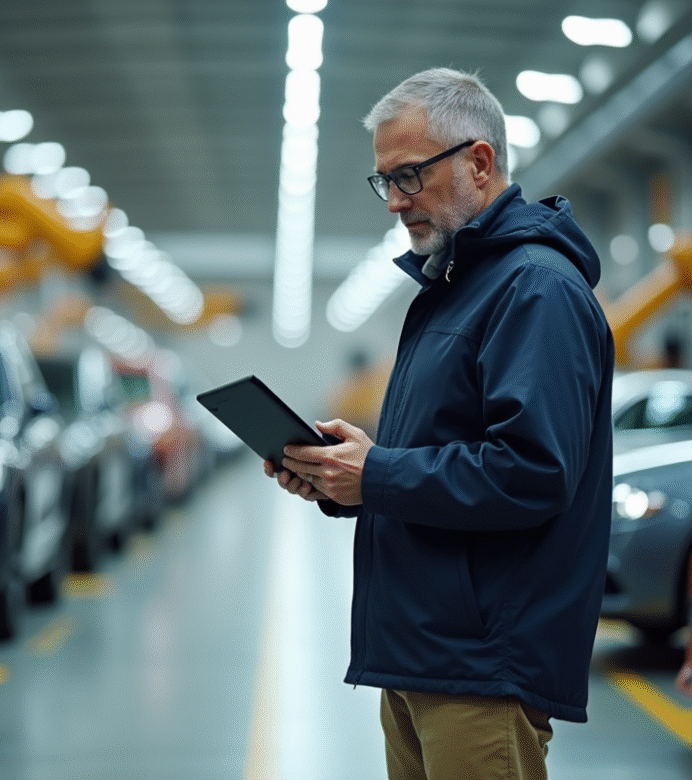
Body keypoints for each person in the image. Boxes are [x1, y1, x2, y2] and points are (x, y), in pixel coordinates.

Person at [263, 67, 614, 780]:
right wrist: (343, 478)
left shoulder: (534, 288)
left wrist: (381, 475)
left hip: (483, 662)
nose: (394, 201)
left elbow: (532, 471)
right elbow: (438, 456)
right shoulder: (456, 289)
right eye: (384, 181)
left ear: (479, 163)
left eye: (409, 176)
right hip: (425, 650)